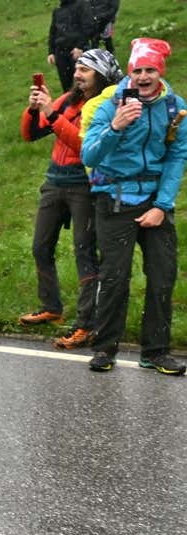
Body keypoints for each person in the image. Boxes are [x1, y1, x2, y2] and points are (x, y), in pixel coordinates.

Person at [81, 38, 186, 375]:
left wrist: (162, 205)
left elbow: (177, 155)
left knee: (162, 277)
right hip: (115, 200)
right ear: (129, 72)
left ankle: (155, 352)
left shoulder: (175, 107)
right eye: (137, 70)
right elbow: (90, 155)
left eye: (150, 69)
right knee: (114, 278)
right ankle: (105, 349)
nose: (143, 76)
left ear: (160, 71)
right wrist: (116, 126)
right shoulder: (110, 104)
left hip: (155, 202)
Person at [17, 49, 121, 349]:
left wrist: (51, 113)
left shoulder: (106, 105)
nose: (77, 74)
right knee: (40, 246)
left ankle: (87, 324)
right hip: (55, 181)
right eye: (77, 68)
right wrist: (34, 107)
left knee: (84, 253)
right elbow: (29, 134)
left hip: (84, 185)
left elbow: (83, 143)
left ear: (100, 75)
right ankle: (51, 307)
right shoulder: (68, 99)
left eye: (85, 70)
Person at [48, 0, 94, 92]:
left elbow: (88, 27)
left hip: (76, 51)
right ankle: (69, 104)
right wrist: (51, 52)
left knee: (82, 84)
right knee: (66, 85)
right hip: (60, 52)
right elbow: (53, 32)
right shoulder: (57, 11)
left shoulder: (82, 5)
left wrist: (80, 47)